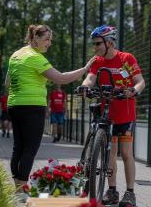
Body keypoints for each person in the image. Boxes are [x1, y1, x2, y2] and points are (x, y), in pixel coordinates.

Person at [6, 24, 95, 189]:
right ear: (35, 38)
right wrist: (85, 69)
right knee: (30, 148)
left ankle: (17, 184)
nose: (49, 43)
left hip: (14, 105)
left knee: (18, 146)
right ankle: (22, 186)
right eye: (46, 39)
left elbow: (7, 83)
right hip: (32, 107)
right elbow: (60, 78)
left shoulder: (16, 55)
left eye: (50, 40)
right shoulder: (35, 57)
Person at [80, 25, 145, 207]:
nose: (96, 47)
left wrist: (133, 90)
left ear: (109, 42)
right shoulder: (98, 61)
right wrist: (85, 86)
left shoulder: (126, 58)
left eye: (98, 43)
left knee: (125, 153)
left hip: (125, 114)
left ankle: (130, 193)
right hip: (106, 113)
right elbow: (91, 78)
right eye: (94, 44)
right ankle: (112, 190)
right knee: (110, 155)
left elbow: (140, 81)